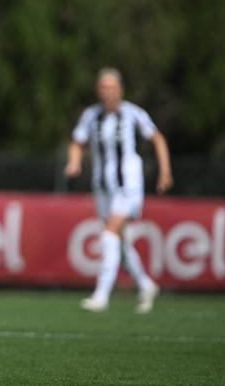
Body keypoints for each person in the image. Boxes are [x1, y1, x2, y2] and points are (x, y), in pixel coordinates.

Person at [65, 68, 173, 313]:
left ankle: (101, 295)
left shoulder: (133, 113)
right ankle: (145, 284)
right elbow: (77, 141)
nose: (108, 92)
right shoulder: (91, 116)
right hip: (102, 186)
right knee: (119, 241)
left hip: (128, 185)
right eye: (104, 87)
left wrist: (165, 171)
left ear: (120, 90)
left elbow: (157, 138)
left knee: (109, 234)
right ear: (98, 90)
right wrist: (74, 162)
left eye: (112, 87)